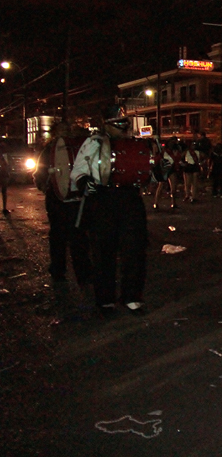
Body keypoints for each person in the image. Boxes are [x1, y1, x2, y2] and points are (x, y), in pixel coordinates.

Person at [70, 105, 148, 315]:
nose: (123, 127)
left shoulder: (136, 144)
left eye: (124, 122)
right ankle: (105, 299)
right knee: (104, 251)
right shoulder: (93, 143)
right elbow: (78, 170)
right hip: (103, 199)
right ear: (107, 124)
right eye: (117, 122)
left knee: (134, 250)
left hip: (130, 199)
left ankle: (131, 297)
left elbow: (150, 170)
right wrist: (85, 181)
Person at [32, 122, 93, 312]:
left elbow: (39, 173)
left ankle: (59, 270)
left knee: (60, 235)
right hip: (72, 198)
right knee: (76, 234)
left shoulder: (51, 149)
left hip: (59, 197)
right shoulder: (78, 147)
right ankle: (81, 273)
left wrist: (46, 186)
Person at [0, 142, 9, 214]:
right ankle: (4, 208)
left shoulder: (5, 156)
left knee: (4, 191)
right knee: (4, 191)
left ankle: (4, 208)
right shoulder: (3, 156)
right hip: (3, 174)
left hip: (3, 174)